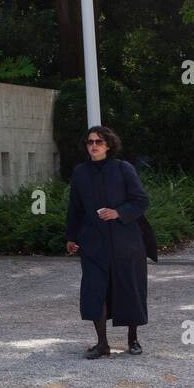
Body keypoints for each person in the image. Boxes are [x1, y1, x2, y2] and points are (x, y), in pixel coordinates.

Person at [64, 126, 151, 359]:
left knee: (129, 288)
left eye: (99, 142)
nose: (94, 145)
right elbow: (75, 208)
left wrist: (118, 213)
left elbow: (141, 201)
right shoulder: (80, 172)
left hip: (126, 242)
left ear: (109, 145)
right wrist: (71, 237)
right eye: (90, 142)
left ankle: (133, 340)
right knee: (95, 290)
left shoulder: (123, 168)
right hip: (93, 242)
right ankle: (102, 344)